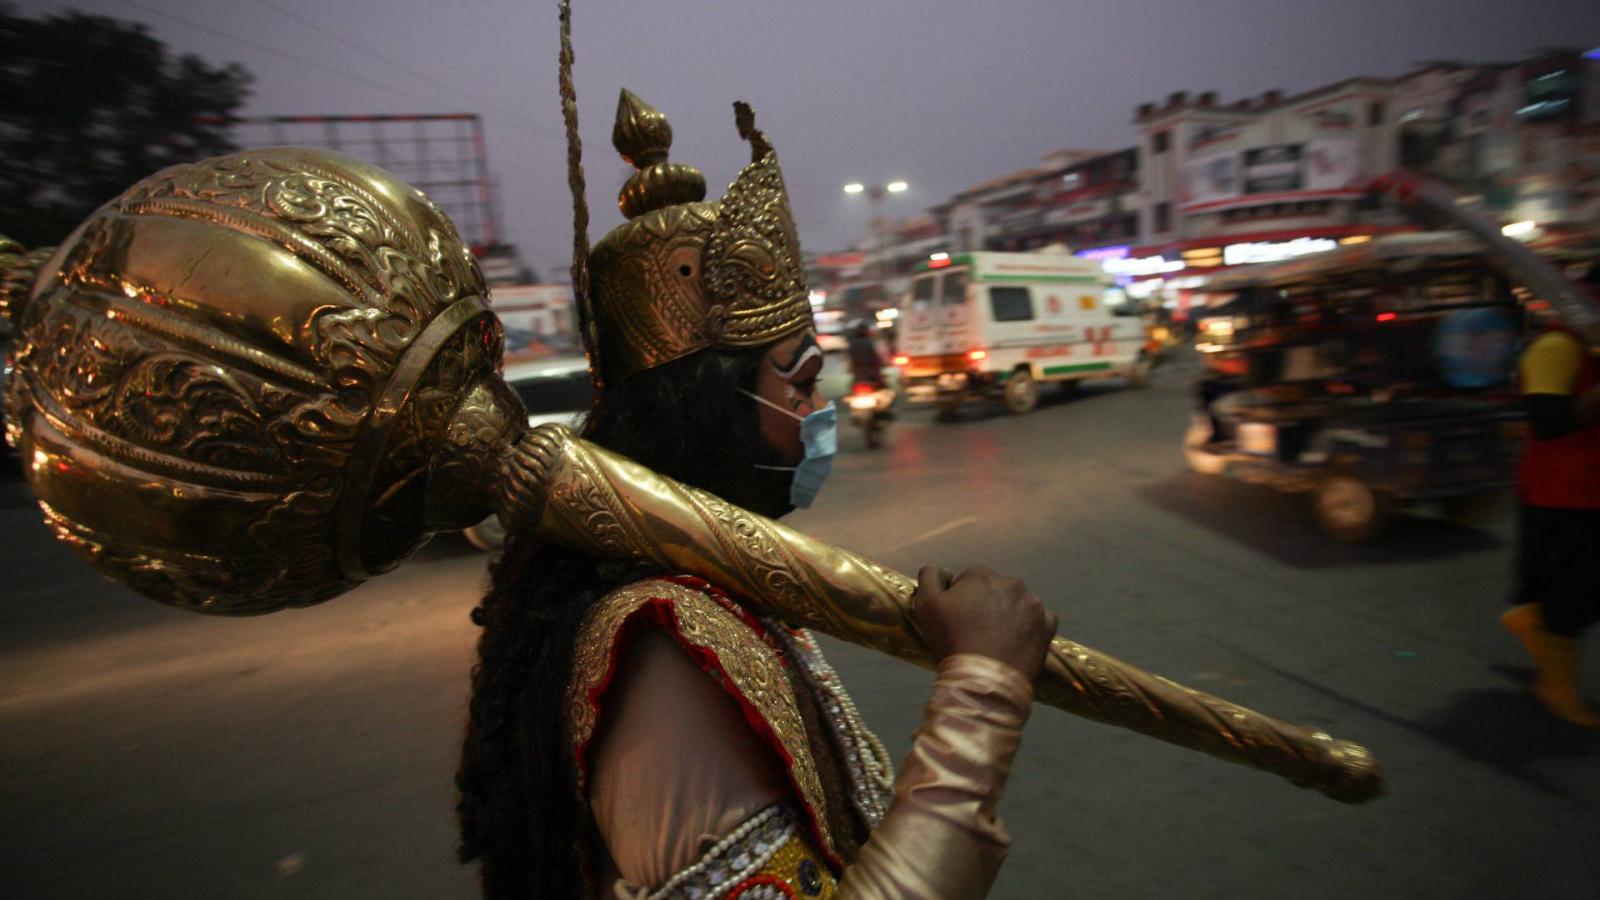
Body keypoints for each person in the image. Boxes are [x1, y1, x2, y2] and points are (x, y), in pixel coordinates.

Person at [455, 91, 1057, 898]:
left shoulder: (714, 583)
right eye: (801, 383)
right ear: (711, 404)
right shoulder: (661, 646)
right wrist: (985, 687)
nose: (821, 413)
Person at [1499, 286, 1600, 728]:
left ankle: (1533, 618)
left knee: (1580, 592)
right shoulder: (1557, 347)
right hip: (1563, 494)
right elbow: (1548, 423)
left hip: (1587, 489)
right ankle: (1556, 688)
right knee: (1576, 595)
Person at [846, 319, 887, 389]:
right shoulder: (873, 343)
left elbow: (849, 361)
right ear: (866, 331)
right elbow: (880, 357)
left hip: (859, 377)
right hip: (874, 376)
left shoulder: (852, 344)